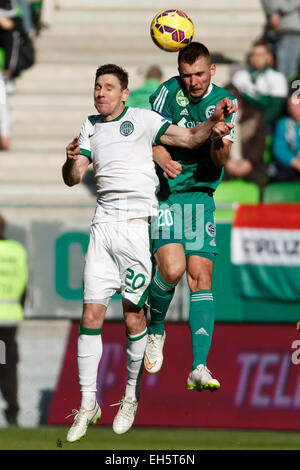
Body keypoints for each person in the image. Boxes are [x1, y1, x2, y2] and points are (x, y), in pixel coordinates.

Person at [62, 63, 235, 441]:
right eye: (97, 87)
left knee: (130, 316)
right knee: (90, 312)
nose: (100, 93)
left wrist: (214, 124)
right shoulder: (89, 125)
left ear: (125, 93)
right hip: (102, 226)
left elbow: (189, 140)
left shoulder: (143, 118)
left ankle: (129, 395)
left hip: (138, 226)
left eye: (108, 87)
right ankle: (87, 403)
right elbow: (74, 177)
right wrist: (71, 159)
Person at [143, 42, 237, 394]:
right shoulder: (165, 94)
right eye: (186, 75)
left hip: (201, 196)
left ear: (212, 71)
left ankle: (198, 365)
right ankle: (156, 328)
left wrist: (217, 139)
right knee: (172, 270)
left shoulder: (226, 102)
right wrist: (162, 157)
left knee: (201, 277)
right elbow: (148, 139)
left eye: (199, 74)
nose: (193, 82)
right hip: (168, 195)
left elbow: (222, 158)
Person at [0, 214, 28, 426]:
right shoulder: (16, 250)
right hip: (9, 319)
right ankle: (12, 409)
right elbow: (23, 285)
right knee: (7, 364)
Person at [261, 0, 300, 80]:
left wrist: (278, 11)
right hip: (285, 33)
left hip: (291, 32)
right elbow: (275, 5)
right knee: (286, 71)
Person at [270, 91, 300, 182]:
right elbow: (279, 149)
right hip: (291, 168)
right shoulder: (283, 123)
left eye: (295, 105)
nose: (292, 109)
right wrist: (296, 163)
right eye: (290, 106)